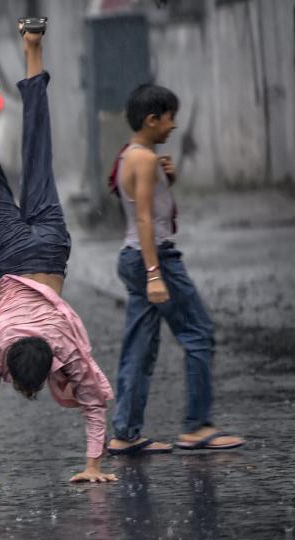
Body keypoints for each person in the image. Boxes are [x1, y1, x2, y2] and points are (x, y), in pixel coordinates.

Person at [0, 19, 117, 488]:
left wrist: (95, 465)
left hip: (52, 245)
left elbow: (97, 401)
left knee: (39, 147)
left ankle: (32, 45)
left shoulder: (64, 344)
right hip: (10, 253)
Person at [106, 84, 244, 454]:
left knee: (139, 348)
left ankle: (125, 433)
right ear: (152, 120)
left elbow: (146, 205)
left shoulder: (130, 156)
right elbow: (146, 218)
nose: (174, 126)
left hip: (132, 255)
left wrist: (169, 179)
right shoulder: (145, 160)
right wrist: (155, 274)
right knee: (199, 331)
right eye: (170, 118)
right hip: (155, 258)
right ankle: (197, 426)